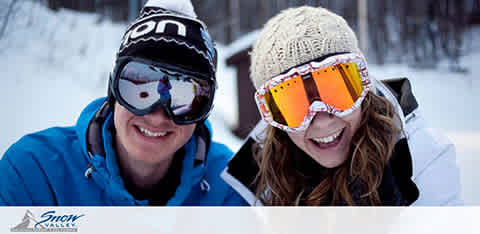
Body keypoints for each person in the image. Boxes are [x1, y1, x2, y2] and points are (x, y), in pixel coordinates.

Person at [0, 0, 247, 206]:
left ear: (204, 112)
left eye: (185, 97)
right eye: (140, 87)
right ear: (113, 91)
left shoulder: (230, 185)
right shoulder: (35, 173)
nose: (158, 116)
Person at [221, 6, 462, 206]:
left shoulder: (421, 163)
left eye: (335, 90)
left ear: (363, 85)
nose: (323, 119)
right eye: (294, 103)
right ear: (276, 119)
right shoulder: (263, 183)